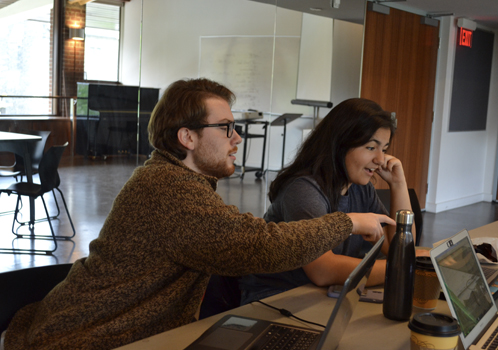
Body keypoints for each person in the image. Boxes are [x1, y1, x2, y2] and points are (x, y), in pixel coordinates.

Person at [3, 79, 394, 350]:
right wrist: (347, 222)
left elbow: (243, 235)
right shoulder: (166, 188)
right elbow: (256, 246)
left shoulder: (182, 182)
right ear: (187, 138)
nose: (237, 138)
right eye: (225, 128)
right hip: (87, 338)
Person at [240, 97, 417, 305]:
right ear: (340, 144)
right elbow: (322, 270)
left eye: (384, 149)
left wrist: (398, 184)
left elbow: (401, 247)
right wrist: (403, 268)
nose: (380, 159)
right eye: (371, 147)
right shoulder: (304, 189)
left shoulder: (361, 188)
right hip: (276, 298)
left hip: (322, 295)